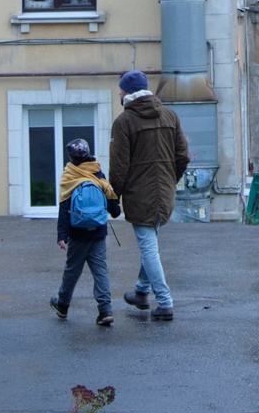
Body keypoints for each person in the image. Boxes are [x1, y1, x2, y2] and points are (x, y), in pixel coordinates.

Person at [110, 69, 190, 321]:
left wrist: (112, 197)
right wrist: (169, 181)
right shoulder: (170, 115)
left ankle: (165, 302)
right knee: (150, 242)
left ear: (128, 92)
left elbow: (119, 166)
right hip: (164, 193)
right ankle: (141, 292)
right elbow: (183, 156)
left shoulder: (124, 122)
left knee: (148, 248)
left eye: (121, 89)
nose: (119, 93)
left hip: (139, 195)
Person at [49, 138, 118, 327]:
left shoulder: (70, 175)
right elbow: (112, 202)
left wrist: (62, 236)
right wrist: (115, 209)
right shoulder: (97, 171)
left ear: (71, 156)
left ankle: (62, 305)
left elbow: (64, 207)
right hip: (98, 232)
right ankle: (105, 311)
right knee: (100, 271)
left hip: (77, 234)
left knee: (72, 270)